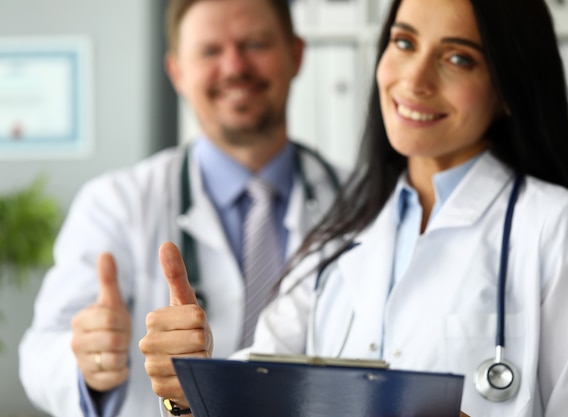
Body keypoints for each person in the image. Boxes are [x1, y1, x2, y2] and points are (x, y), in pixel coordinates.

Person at [139, 0, 568, 415]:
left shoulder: (563, 231)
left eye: (458, 58)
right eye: (405, 42)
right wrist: (191, 387)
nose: (414, 80)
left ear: (509, 88)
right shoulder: (336, 240)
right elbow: (264, 393)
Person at [18, 0, 343, 416]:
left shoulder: (366, 202)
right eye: (210, 51)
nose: (234, 66)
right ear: (177, 72)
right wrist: (88, 363)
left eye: (256, 44)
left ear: (296, 54)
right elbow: (41, 350)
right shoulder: (117, 204)